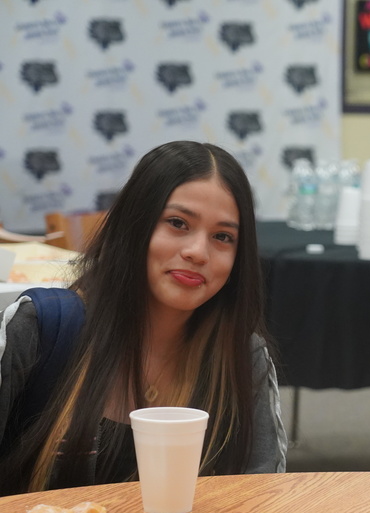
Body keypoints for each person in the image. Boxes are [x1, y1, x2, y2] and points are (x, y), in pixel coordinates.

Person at [0, 140, 287, 494]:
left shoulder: (242, 355)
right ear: (134, 225)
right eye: (178, 223)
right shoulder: (41, 329)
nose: (198, 252)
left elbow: (261, 508)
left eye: (223, 237)